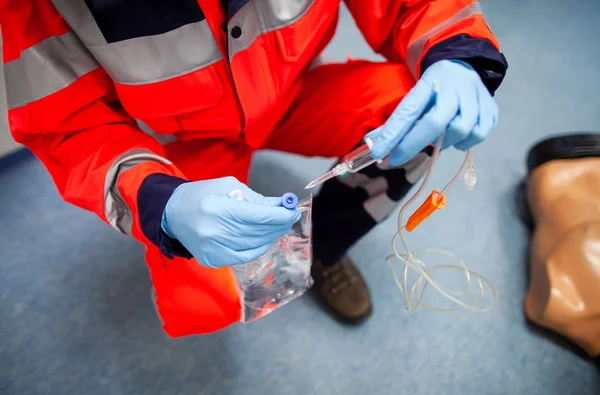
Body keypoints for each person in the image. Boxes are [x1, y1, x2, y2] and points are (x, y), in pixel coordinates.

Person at [1, 0, 507, 337]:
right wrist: (160, 201)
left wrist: (456, 53)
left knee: (417, 117)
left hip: (292, 94)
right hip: (189, 137)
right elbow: (64, 125)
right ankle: (270, 260)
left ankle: (321, 249)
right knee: (207, 299)